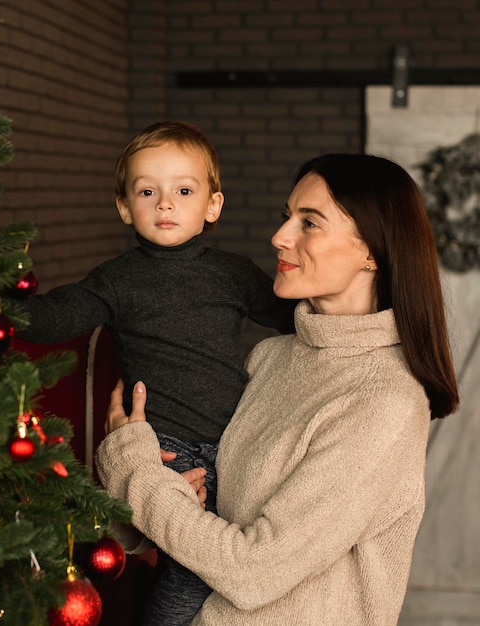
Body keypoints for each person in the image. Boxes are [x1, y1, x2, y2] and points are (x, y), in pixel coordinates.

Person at [96, 153, 460, 626]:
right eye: (286, 216)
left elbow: (252, 572)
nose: (280, 237)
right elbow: (208, 509)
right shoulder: (272, 357)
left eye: (309, 222)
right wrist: (147, 502)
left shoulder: (383, 402)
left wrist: (131, 471)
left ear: (372, 250)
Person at [15, 121, 297, 624]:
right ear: (125, 207)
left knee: (238, 566)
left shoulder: (233, 272)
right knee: (191, 569)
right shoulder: (119, 279)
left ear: (212, 205)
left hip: (236, 444)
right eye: (148, 192)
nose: (165, 204)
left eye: (183, 191)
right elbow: (62, 313)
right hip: (166, 449)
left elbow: (291, 315)